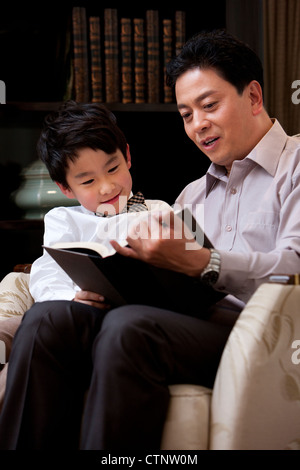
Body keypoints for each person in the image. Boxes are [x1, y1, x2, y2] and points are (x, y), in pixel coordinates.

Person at [1, 28, 300, 450]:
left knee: (129, 327)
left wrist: (204, 263)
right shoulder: (191, 195)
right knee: (49, 319)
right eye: (185, 114)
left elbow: (295, 270)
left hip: (264, 336)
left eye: (208, 105)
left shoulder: (296, 167)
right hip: (184, 325)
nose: (198, 125)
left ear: (253, 97)